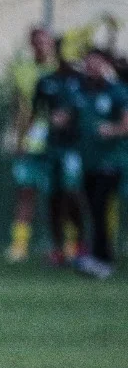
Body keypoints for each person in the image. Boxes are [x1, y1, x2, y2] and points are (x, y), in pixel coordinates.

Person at [70, 49, 128, 279]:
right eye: (88, 63)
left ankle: (104, 260)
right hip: (88, 161)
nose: (91, 67)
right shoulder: (81, 90)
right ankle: (95, 256)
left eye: (96, 63)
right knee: (92, 210)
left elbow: (125, 125)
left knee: (101, 207)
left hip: (111, 161)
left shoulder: (117, 92)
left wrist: (111, 130)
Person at [32, 41, 88, 265]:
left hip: (76, 147)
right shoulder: (46, 81)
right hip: (52, 147)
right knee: (53, 197)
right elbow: (37, 113)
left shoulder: (84, 82)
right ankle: (57, 248)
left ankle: (80, 244)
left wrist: (71, 117)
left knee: (73, 194)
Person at [5, 27, 58, 263]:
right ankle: (19, 245)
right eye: (36, 42)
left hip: (59, 139)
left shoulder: (61, 69)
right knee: (26, 192)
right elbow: (18, 106)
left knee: (63, 194)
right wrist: (17, 138)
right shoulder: (22, 69)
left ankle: (66, 245)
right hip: (31, 138)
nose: (41, 45)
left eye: (45, 41)